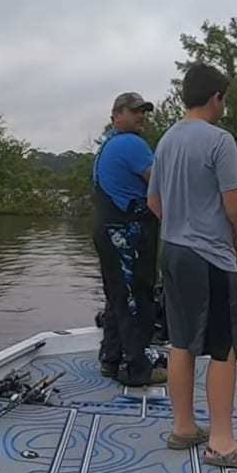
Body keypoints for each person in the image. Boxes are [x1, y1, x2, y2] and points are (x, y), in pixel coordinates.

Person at [147, 63, 237, 470]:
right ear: (216, 97)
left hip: (173, 252)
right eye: (224, 99)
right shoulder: (220, 140)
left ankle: (184, 428)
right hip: (211, 259)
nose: (224, 107)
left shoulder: (166, 140)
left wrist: (181, 226)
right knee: (224, 348)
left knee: (180, 342)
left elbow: (154, 203)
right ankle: (221, 443)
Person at [92, 92, 167, 387]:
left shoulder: (107, 145)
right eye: (135, 112)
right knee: (137, 299)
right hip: (127, 235)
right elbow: (160, 184)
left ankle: (111, 360)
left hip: (106, 232)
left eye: (143, 112)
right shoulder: (131, 144)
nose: (141, 117)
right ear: (116, 115)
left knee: (116, 297)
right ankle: (138, 369)